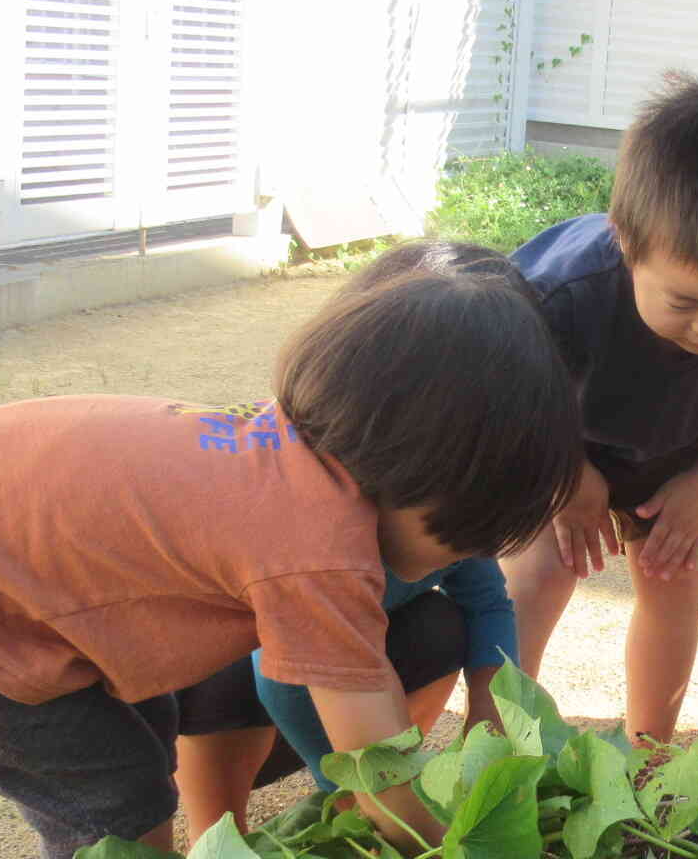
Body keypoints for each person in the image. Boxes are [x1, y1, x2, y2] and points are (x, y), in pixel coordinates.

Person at [0, 255, 583, 859]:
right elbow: (372, 760)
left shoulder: (287, 453)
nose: (467, 555)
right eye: (464, 534)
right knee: (112, 802)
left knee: (143, 735)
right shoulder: (317, 544)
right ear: (421, 481)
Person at [503, 73, 698, 745]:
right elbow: (513, 393)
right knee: (539, 573)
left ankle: (648, 753)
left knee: (675, 579)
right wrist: (569, 478)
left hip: (677, 454)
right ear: (626, 240)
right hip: (556, 439)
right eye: (684, 303)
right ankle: (496, 739)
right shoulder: (562, 292)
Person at [171, 241, 536, 822]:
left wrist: (489, 715)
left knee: (442, 627)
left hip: (334, 668)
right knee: (223, 683)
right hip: (223, 676)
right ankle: (217, 831)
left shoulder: (449, 487)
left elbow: (488, 602)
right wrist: (344, 785)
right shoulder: (314, 510)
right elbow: (281, 672)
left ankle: (389, 773)